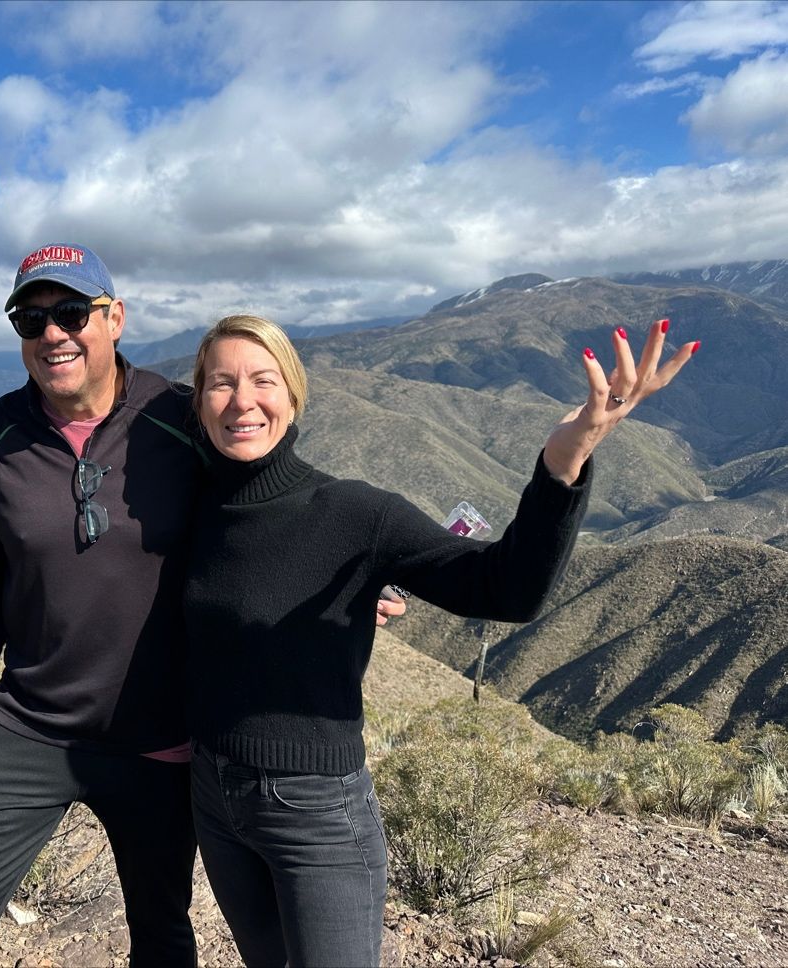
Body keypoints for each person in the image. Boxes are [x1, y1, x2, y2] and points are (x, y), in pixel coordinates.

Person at [0, 244, 404, 967]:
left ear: (115, 318)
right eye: (30, 319)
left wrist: (352, 564)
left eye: (72, 312)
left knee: (162, 938)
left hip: (160, 741)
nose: (53, 334)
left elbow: (266, 505)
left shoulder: (179, 416)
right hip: (23, 732)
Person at [182, 313, 696, 966]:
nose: (242, 401)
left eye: (264, 380)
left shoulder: (356, 515)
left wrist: (564, 460)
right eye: (220, 384)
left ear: (293, 394)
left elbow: (504, 590)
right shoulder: (188, 503)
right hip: (213, 797)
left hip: (316, 813)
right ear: (197, 401)